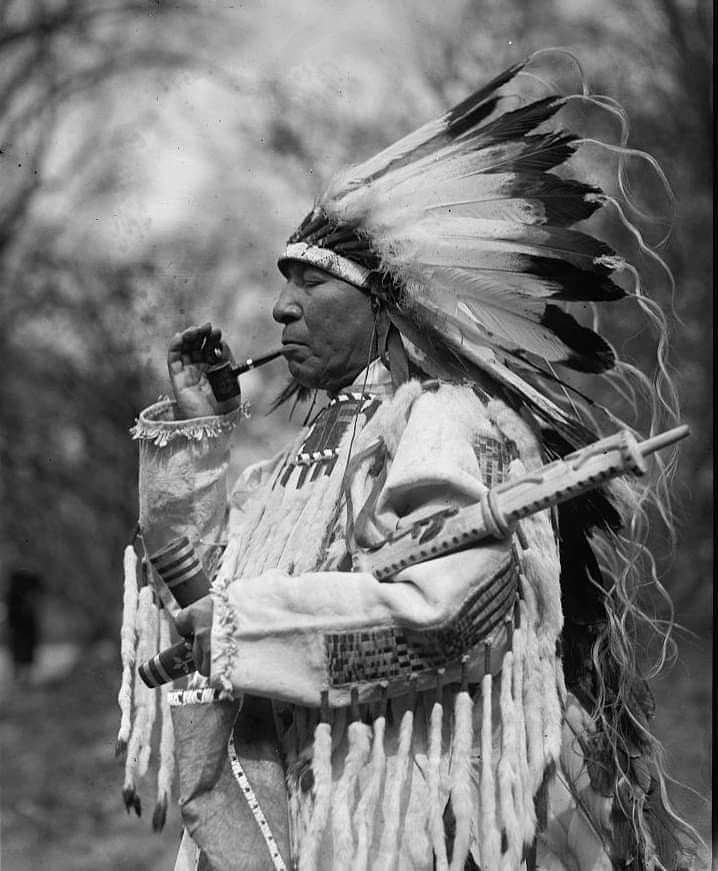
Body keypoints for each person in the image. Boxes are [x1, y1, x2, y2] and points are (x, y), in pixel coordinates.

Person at [118, 50, 698, 870]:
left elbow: (455, 617)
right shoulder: (284, 475)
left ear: (386, 306)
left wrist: (246, 629)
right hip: (301, 822)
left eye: (313, 283)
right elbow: (195, 597)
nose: (282, 304)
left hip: (412, 821)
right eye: (284, 282)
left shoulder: (442, 422)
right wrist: (197, 439)